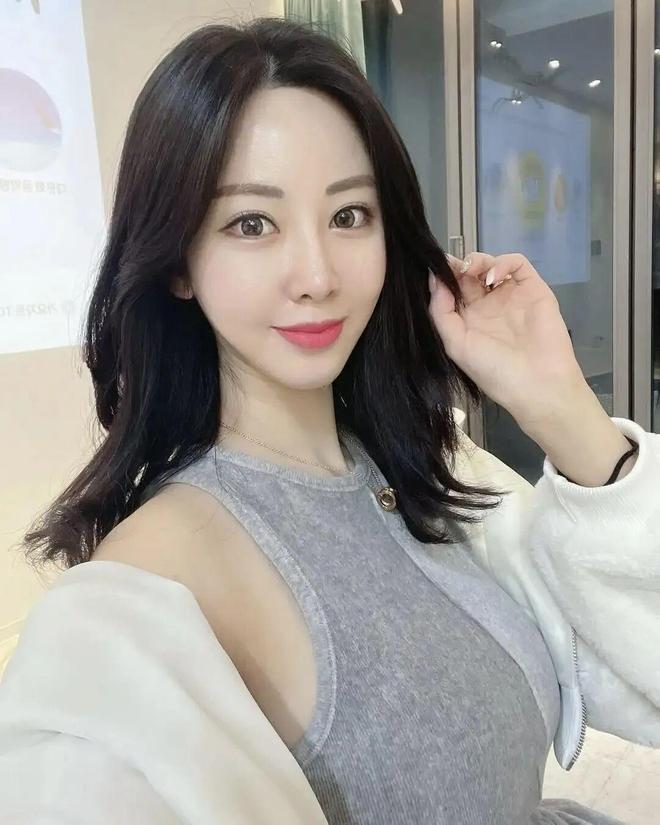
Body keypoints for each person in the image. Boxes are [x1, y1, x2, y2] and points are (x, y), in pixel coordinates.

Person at [0, 16, 658, 825]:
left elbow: (639, 670)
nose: (316, 275)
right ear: (177, 261)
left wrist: (559, 404)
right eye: (252, 223)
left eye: (349, 215)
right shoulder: (154, 580)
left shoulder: (431, 463)